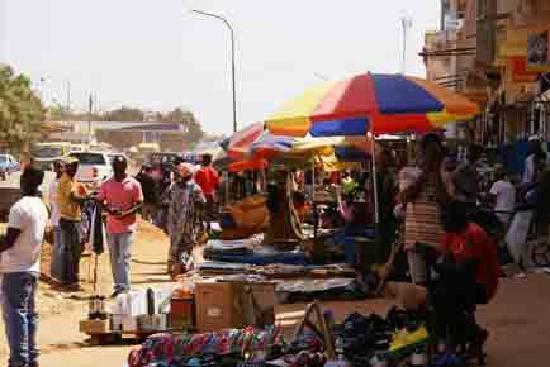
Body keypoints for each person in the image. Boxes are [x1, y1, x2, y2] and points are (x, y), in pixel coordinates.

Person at [0, 167, 48, 367]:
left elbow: (9, 240)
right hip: (32, 266)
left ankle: (19, 360)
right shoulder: (41, 206)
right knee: (28, 314)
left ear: (26, 180)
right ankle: (31, 357)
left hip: (15, 268)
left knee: (15, 316)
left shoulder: (20, 208)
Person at [399, 133, 455, 285]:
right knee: (420, 287)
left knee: (440, 286)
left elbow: (447, 203)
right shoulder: (408, 173)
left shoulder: (445, 177)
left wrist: (435, 173)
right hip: (415, 239)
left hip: (439, 240)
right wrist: (425, 173)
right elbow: (406, 197)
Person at [97, 156, 143, 297]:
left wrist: (125, 213)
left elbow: (139, 204)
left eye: (120, 167)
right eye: (115, 167)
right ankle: (118, 286)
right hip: (111, 227)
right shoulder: (106, 184)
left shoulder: (134, 184)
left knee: (124, 258)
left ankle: (124, 288)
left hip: (128, 227)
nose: (117, 170)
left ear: (125, 168)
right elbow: (99, 201)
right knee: (114, 258)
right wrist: (110, 211)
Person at [440, 201, 500, 303]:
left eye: (445, 218)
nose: (442, 222)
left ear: (456, 218)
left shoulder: (474, 233)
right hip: (463, 279)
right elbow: (447, 260)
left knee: (445, 292)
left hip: (481, 283)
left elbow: (468, 268)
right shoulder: (450, 234)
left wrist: (440, 266)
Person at [162, 162, 205, 276]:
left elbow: (164, 203)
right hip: (188, 223)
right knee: (188, 245)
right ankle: (184, 268)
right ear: (191, 174)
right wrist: (202, 224)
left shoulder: (172, 187)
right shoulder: (195, 188)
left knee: (175, 245)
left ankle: (174, 268)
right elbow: (202, 205)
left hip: (175, 223)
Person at [56, 157, 86, 289]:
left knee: (72, 250)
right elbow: (73, 196)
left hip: (72, 218)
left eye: (75, 166)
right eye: (72, 166)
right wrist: (89, 198)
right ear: (67, 167)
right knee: (72, 250)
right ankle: (69, 279)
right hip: (69, 219)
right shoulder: (66, 180)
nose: (74, 169)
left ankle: (70, 277)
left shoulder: (71, 180)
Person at [453, 145, 482, 214]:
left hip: (472, 197)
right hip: (463, 196)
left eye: (478, 153)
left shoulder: (476, 165)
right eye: (476, 153)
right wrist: (462, 189)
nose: (477, 155)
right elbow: (454, 177)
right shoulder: (464, 165)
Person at [194, 154, 220, 229]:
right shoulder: (214, 171)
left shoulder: (199, 171)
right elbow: (217, 186)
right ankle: (209, 229)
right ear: (210, 161)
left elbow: (196, 185)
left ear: (203, 161)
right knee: (210, 213)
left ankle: (203, 229)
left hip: (201, 196)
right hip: (210, 195)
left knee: (202, 214)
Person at [49, 160, 64, 282]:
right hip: (57, 218)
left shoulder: (63, 181)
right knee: (58, 247)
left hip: (62, 218)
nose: (58, 169)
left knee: (61, 247)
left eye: (60, 167)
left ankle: (58, 273)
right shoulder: (54, 182)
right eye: (56, 167)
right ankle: (56, 273)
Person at [488, 165, 516, 229]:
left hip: (499, 212)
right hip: (510, 213)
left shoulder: (498, 184)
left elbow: (491, 196)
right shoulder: (511, 185)